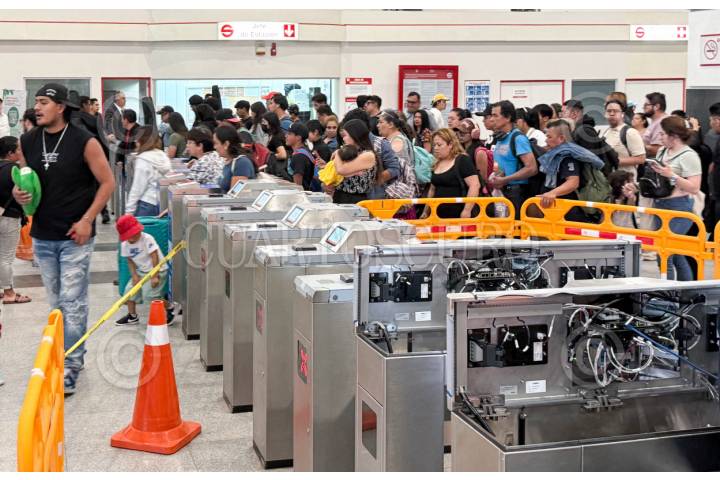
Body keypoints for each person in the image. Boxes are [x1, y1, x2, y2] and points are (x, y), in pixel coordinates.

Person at [13, 83, 115, 394]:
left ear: (60, 107)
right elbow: (26, 180)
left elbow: (107, 183)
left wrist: (87, 220)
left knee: (73, 301)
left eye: (44, 102)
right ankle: (62, 354)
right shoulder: (28, 140)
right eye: (36, 102)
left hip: (76, 236)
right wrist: (19, 194)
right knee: (56, 302)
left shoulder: (85, 141)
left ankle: (71, 363)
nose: (37, 107)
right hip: (43, 235)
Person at [648, 116, 702, 281]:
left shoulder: (689, 156)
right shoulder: (662, 151)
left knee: (665, 253)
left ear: (674, 136)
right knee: (676, 254)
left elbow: (694, 187)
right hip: (660, 204)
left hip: (679, 207)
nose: (659, 137)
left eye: (663, 134)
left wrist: (672, 175)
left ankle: (669, 293)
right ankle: (685, 292)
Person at [537, 120, 605, 222]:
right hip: (561, 211)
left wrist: (552, 193)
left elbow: (573, 182)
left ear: (561, 138)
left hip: (569, 212)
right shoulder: (557, 154)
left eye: (549, 137)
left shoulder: (567, 156)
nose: (546, 141)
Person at [114, 214, 174, 326]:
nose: (136, 235)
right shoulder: (125, 245)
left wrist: (155, 275)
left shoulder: (147, 239)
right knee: (128, 293)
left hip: (158, 270)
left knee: (151, 297)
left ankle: (170, 307)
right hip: (141, 271)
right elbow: (130, 261)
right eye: (131, 234)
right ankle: (132, 316)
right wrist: (134, 275)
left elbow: (154, 256)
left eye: (136, 232)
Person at [488, 100, 538, 218]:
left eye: (495, 115)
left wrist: (505, 179)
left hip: (516, 193)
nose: (491, 119)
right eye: (491, 116)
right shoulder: (500, 138)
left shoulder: (518, 138)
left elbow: (532, 168)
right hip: (502, 191)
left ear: (508, 117)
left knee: (514, 228)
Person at [341, 108, 400, 199]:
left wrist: (373, 180)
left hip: (373, 196)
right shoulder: (348, 143)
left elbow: (394, 169)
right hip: (349, 196)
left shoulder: (381, 143)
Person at [0, 137, 31, 304]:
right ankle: (9, 293)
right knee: (6, 257)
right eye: (18, 149)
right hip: (9, 218)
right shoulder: (15, 170)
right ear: (10, 153)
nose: (21, 152)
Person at [424, 128, 481, 218]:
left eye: (439, 145)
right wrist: (426, 211)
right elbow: (432, 189)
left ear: (450, 144)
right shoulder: (437, 162)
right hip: (437, 216)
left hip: (459, 214)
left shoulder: (462, 160)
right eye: (434, 145)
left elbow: (475, 185)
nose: (435, 148)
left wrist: (467, 210)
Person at [331, 120, 382, 204]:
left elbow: (341, 169)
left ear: (354, 135)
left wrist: (338, 153)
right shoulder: (351, 152)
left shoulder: (368, 155)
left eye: (345, 135)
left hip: (355, 199)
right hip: (340, 196)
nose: (343, 139)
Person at [125, 126, 171, 217]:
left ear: (142, 140)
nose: (135, 142)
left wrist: (128, 212)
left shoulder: (143, 159)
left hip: (146, 203)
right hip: (162, 204)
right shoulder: (163, 155)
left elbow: (137, 188)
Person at [377, 110, 419, 201]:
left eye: (381, 122)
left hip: (399, 192)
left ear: (391, 124)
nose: (377, 125)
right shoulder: (394, 139)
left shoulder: (397, 142)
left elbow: (397, 169)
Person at [601, 99, 646, 179]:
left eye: (615, 111)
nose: (612, 114)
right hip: (609, 179)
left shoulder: (630, 132)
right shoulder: (607, 131)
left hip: (626, 182)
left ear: (622, 114)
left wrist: (615, 161)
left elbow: (641, 159)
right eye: (609, 111)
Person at [214, 124, 257, 192]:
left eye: (216, 143)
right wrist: (200, 186)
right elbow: (217, 186)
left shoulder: (241, 163)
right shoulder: (227, 161)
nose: (214, 147)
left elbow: (235, 194)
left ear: (226, 144)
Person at [456, 119, 491, 192]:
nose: (459, 135)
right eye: (458, 132)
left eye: (462, 133)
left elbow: (482, 179)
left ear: (474, 133)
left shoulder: (479, 152)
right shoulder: (459, 150)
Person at [285, 123, 315, 191]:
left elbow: (298, 186)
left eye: (289, 134)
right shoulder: (304, 151)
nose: (286, 136)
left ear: (298, 137)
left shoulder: (299, 156)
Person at [642, 92, 670, 158]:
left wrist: (637, 146)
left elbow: (658, 149)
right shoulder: (655, 121)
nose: (643, 107)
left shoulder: (662, 123)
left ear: (657, 107)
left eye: (646, 105)